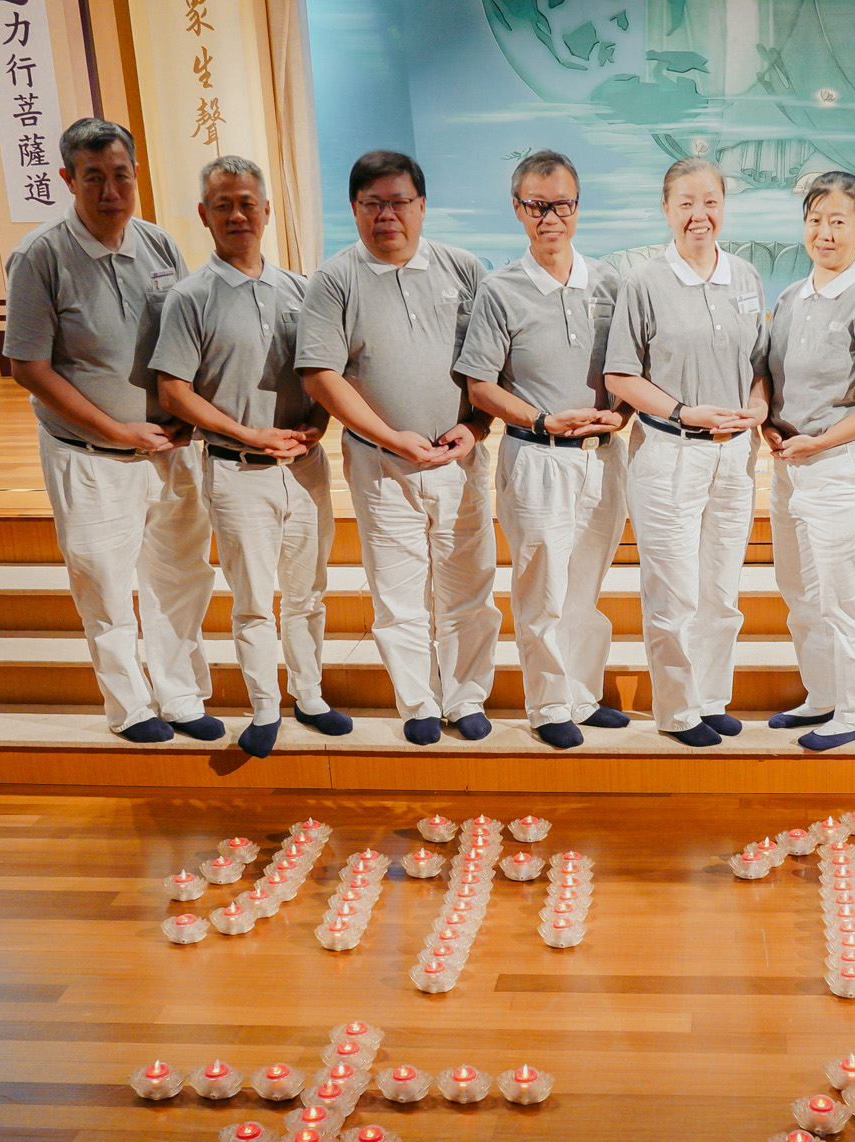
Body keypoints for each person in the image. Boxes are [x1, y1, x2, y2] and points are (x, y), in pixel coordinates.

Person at [3, 117, 221, 745]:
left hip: (170, 448)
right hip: (91, 455)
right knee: (104, 583)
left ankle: (180, 696)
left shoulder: (159, 245)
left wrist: (189, 416)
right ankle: (130, 706)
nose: (110, 191)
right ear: (67, 180)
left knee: (180, 578)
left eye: (121, 176)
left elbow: (188, 339)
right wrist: (117, 431)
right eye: (93, 177)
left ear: (136, 176)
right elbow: (28, 368)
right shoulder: (40, 257)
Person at [295, 151, 499, 746]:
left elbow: (493, 363)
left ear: (422, 205)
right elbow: (320, 375)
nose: (387, 215)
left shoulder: (464, 269)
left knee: (469, 585)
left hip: (460, 456)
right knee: (397, 591)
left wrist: (477, 427)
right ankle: (418, 703)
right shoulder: (335, 278)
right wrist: (390, 437)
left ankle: (466, 697)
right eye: (373, 204)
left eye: (399, 202)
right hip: (381, 463)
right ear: (355, 209)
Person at [152, 155, 351, 759]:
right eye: (224, 206)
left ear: (267, 211)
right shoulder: (189, 297)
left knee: (308, 592)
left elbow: (324, 373)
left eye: (247, 204)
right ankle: (265, 707)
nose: (237, 215)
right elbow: (174, 392)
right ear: (204, 215)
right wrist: (248, 434)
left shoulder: (301, 290)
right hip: (238, 472)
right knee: (253, 601)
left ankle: (310, 696)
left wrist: (317, 424)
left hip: (306, 468)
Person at [455, 150, 630, 750]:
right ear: (518, 209)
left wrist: (622, 414)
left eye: (561, 205)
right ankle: (549, 704)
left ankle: (582, 695)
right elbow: (480, 386)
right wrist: (542, 418)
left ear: (577, 208)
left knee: (586, 587)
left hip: (603, 457)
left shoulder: (609, 283)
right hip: (537, 457)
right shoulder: (500, 289)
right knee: (543, 589)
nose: (550, 217)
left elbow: (631, 370)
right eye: (537, 205)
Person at [603, 159, 770, 748]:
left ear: (724, 206)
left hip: (734, 457)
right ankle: (677, 711)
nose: (700, 215)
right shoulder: (644, 282)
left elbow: (758, 364)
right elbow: (621, 375)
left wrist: (758, 405)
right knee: (673, 592)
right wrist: (681, 411)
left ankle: (710, 699)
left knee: (721, 591)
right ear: (666, 209)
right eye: (686, 204)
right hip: (669, 452)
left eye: (710, 202)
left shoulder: (745, 275)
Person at [759, 171, 855, 751]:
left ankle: (854, 711)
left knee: (848, 597)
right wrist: (769, 424)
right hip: (790, 465)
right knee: (800, 591)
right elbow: (772, 380)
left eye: (838, 221)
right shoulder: (790, 299)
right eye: (816, 220)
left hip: (844, 467)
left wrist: (819, 443)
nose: (825, 232)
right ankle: (821, 695)